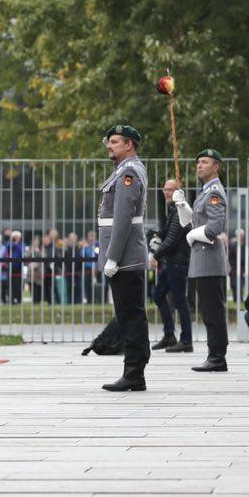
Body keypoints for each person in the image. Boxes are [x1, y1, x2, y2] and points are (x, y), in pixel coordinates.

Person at [96, 124, 149, 391]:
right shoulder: (124, 170)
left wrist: (113, 257)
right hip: (124, 255)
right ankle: (134, 372)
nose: (109, 146)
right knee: (128, 312)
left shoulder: (128, 171)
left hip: (125, 256)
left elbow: (123, 218)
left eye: (115, 142)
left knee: (130, 314)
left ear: (129, 144)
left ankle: (134, 373)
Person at [176, 147, 230, 372]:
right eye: (198, 162)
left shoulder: (214, 192)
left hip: (210, 260)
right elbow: (192, 222)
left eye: (205, 162)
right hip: (201, 261)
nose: (199, 165)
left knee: (213, 312)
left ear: (216, 166)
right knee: (208, 311)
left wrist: (191, 235)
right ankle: (213, 355)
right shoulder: (205, 191)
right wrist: (182, 205)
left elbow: (215, 228)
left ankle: (217, 357)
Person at [149, 178, 193, 352]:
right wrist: (156, 236)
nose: (166, 192)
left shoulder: (181, 210)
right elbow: (167, 233)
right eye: (165, 189)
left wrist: (156, 256)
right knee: (159, 295)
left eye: (171, 189)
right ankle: (169, 335)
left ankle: (187, 341)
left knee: (180, 301)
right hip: (171, 262)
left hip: (178, 262)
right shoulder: (172, 210)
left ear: (177, 192)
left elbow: (173, 239)